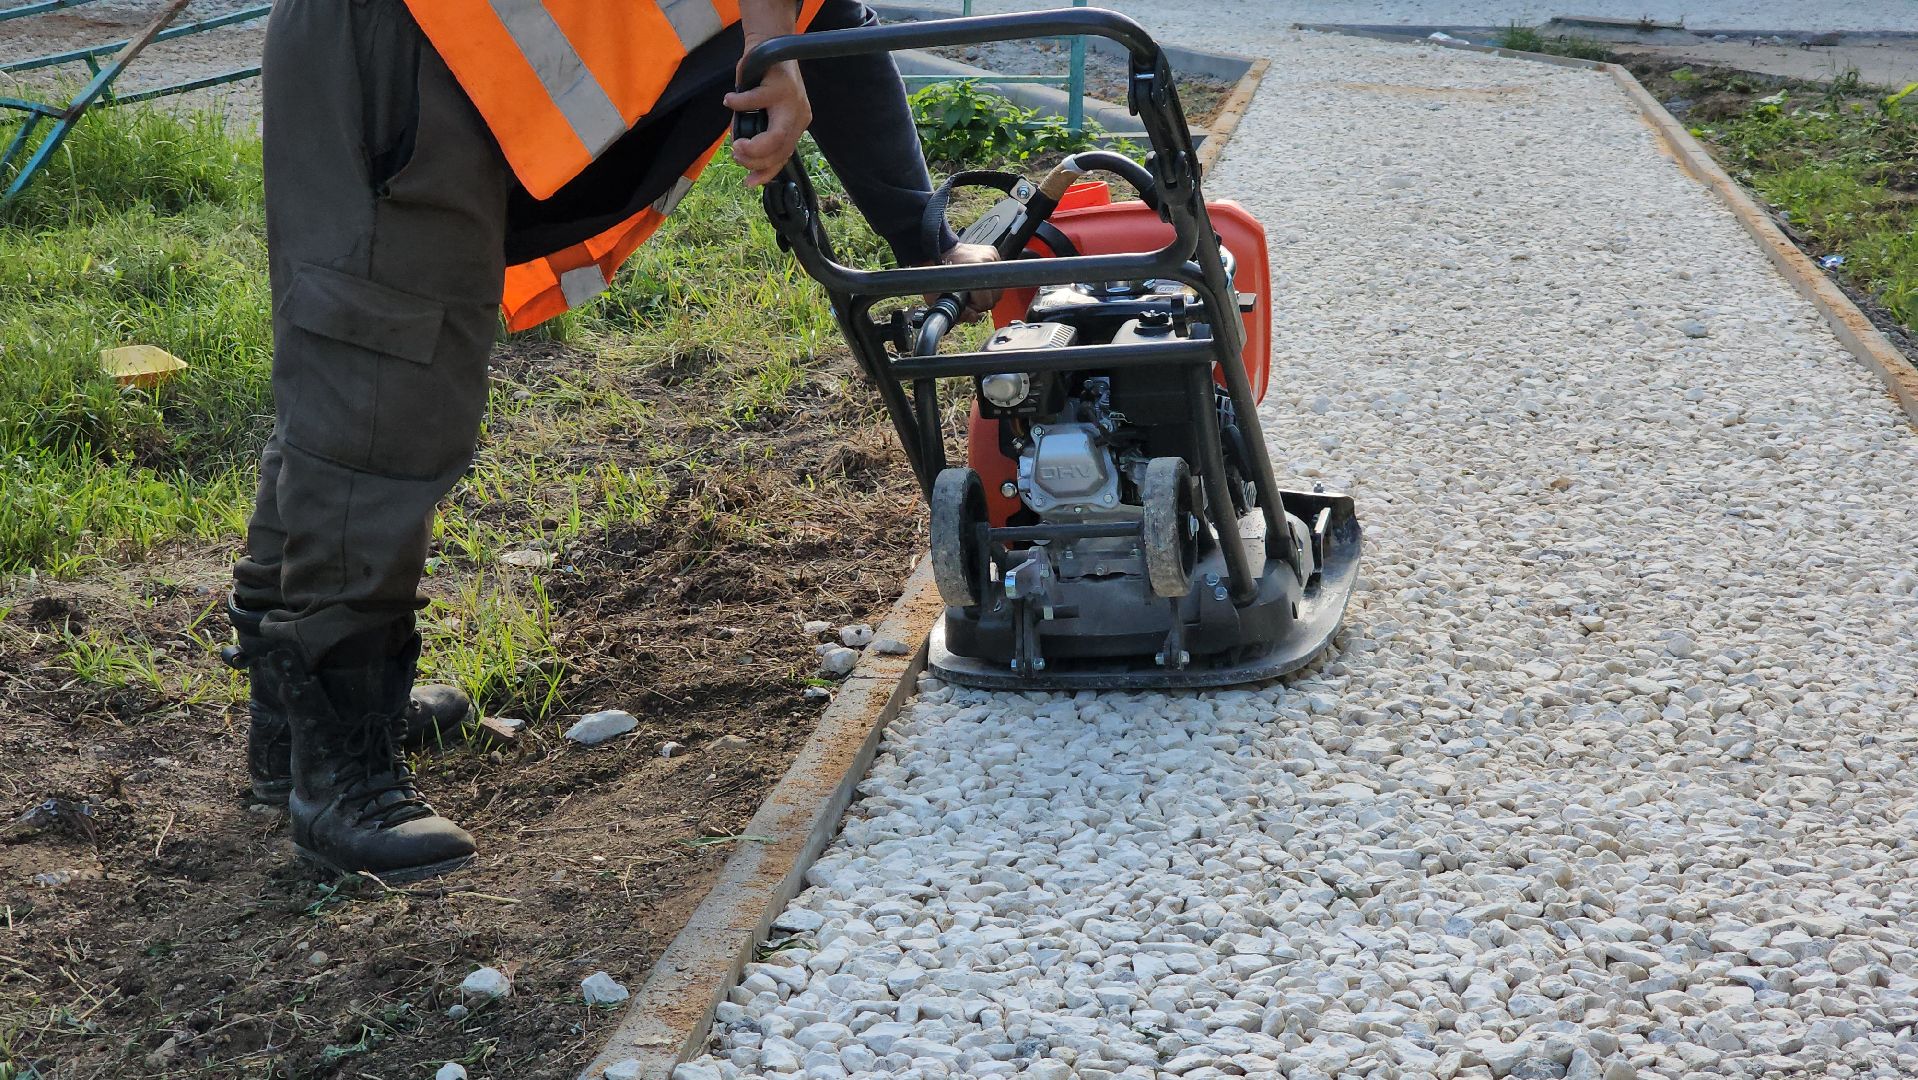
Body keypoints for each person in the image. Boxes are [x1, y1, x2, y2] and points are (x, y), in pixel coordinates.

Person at [225, 0, 993, 883]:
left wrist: (925, 239)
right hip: (416, 37)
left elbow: (827, 18)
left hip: (458, 54)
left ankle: (295, 728)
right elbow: (793, 29)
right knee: (380, 371)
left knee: (372, 360)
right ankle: (341, 771)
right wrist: (765, 49)